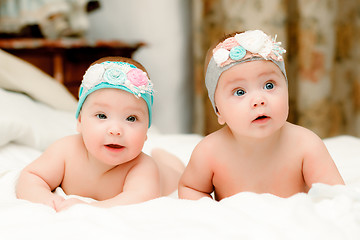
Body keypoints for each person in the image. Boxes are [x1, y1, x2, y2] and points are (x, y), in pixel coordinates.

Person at [178, 30, 344, 200]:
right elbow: (191, 188)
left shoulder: (306, 145)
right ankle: (169, 164)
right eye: (240, 92)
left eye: (269, 85)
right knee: (173, 172)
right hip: (235, 225)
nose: (258, 100)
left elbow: (336, 196)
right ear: (218, 110)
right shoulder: (209, 152)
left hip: (290, 224)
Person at [16, 56, 184, 211]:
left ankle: (166, 158)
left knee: (175, 171)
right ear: (80, 121)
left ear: (147, 130)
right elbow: (31, 176)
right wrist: (46, 199)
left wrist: (90, 208)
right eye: (102, 116)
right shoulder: (65, 151)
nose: (116, 130)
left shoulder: (142, 167)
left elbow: (139, 200)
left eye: (131, 118)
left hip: (168, 176)